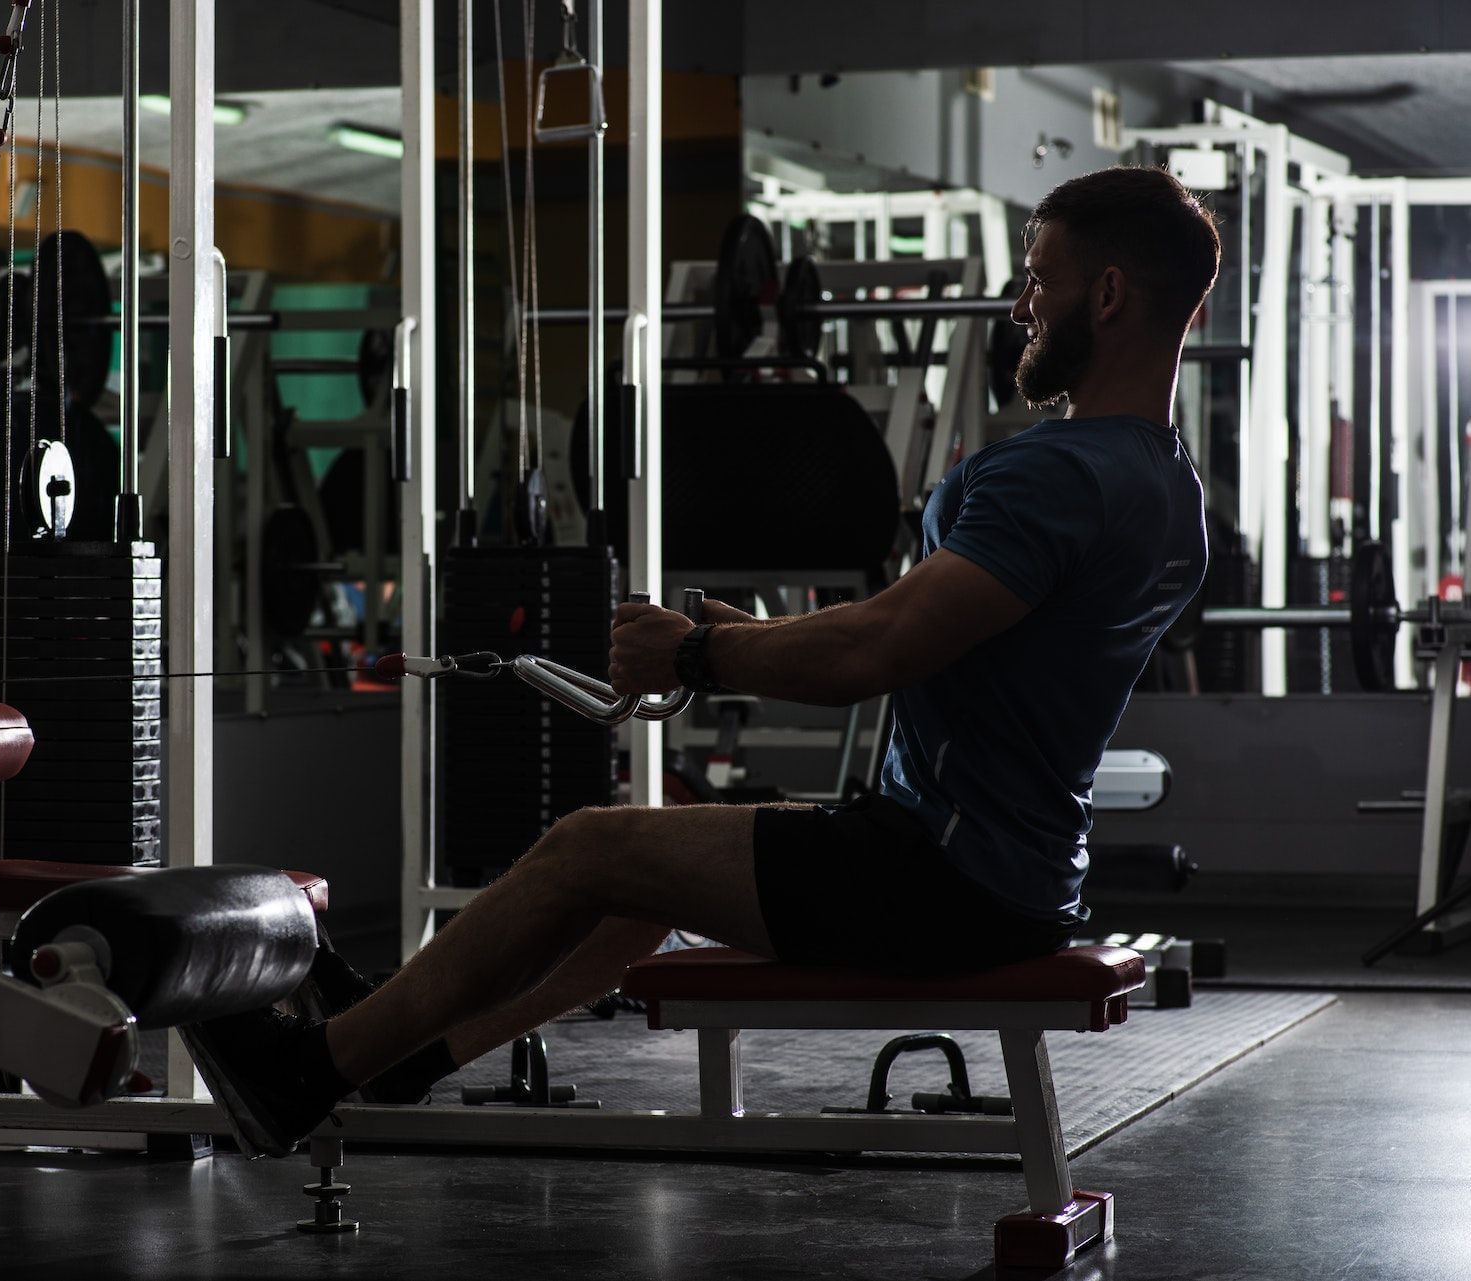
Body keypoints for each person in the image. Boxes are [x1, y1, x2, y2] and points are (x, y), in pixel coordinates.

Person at [188, 165, 1220, 1158]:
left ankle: (310, 1070)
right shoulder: (1169, 491)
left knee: (587, 848)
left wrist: (698, 649)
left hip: (941, 877)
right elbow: (932, 627)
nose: (1020, 305)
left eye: (1037, 277)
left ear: (1110, 292)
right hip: (1014, 871)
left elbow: (876, 649)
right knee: (643, 876)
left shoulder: (1053, 476)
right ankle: (409, 1051)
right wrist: (741, 638)